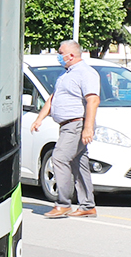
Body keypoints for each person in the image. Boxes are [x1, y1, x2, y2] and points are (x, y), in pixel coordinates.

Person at [30, 39, 98, 219]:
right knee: (78, 162)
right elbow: (53, 98)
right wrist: (39, 119)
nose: (58, 56)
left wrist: (88, 127)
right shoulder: (66, 74)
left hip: (76, 124)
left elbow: (93, 100)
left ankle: (63, 203)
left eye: (60, 53)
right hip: (67, 125)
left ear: (71, 55)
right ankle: (87, 206)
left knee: (59, 158)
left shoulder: (86, 73)